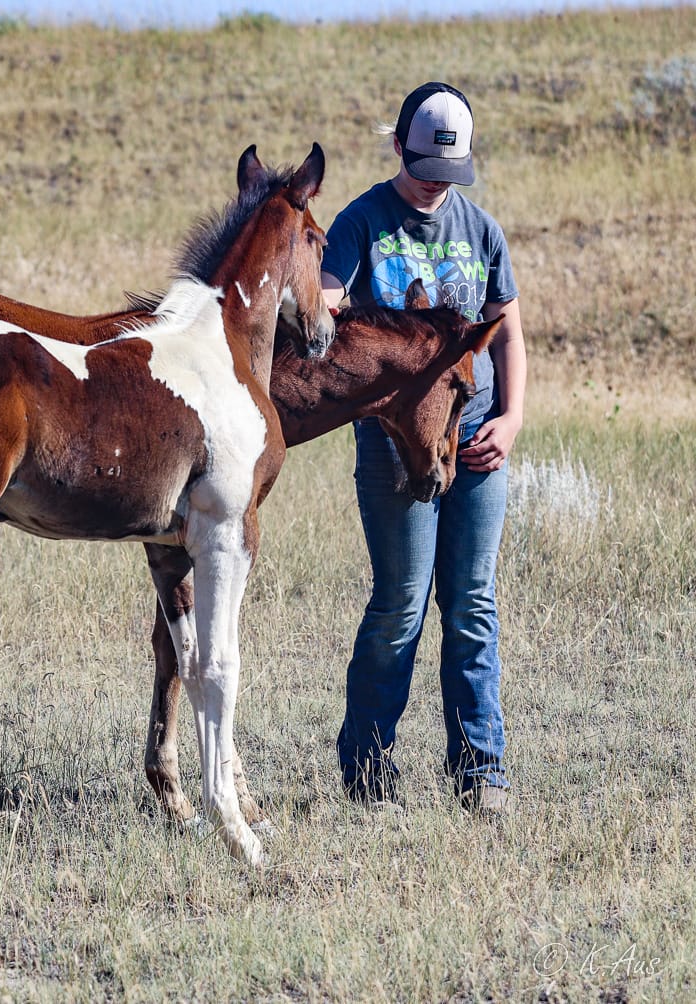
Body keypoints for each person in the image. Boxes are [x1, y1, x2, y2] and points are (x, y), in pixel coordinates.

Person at [319, 82, 527, 813]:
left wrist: (512, 417)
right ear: (398, 147)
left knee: (472, 603)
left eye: (449, 173)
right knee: (403, 602)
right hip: (397, 446)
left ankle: (482, 772)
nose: (436, 185)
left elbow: (509, 328)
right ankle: (368, 770)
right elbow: (326, 302)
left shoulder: (480, 228)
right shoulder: (364, 219)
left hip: (473, 438)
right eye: (424, 169)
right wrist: (327, 301)